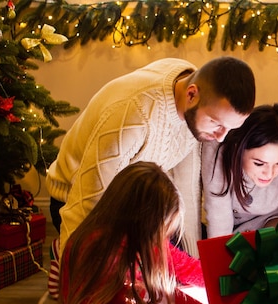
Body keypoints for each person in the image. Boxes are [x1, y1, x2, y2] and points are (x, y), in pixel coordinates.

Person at [46, 56, 256, 258]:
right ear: (191, 95)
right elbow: (84, 201)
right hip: (76, 198)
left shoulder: (192, 90)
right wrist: (73, 271)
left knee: (175, 265)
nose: (220, 137)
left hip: (133, 205)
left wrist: (194, 263)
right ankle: (62, 252)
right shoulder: (134, 115)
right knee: (132, 276)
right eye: (216, 123)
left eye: (229, 128)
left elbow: (186, 187)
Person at [58, 161, 204, 304]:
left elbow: (184, 266)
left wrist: (215, 277)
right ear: (142, 221)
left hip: (133, 302)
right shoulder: (98, 248)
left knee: (184, 296)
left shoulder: (147, 238)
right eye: (161, 229)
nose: (163, 237)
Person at [202, 103, 278, 238]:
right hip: (233, 232)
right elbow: (218, 217)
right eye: (259, 163)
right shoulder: (219, 154)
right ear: (239, 149)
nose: (269, 173)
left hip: (271, 224)